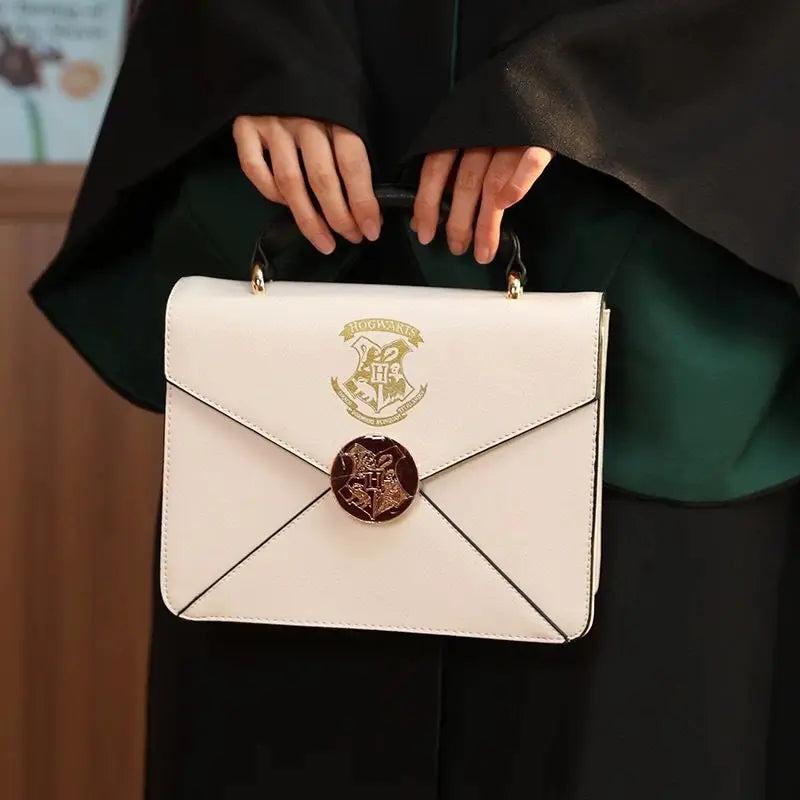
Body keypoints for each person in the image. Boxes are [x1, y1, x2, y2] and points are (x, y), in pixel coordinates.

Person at [30, 1, 800, 798]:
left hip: (640, 257)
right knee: (274, 675)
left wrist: (575, 86)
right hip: (308, 215)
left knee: (622, 732)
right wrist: (264, 46)